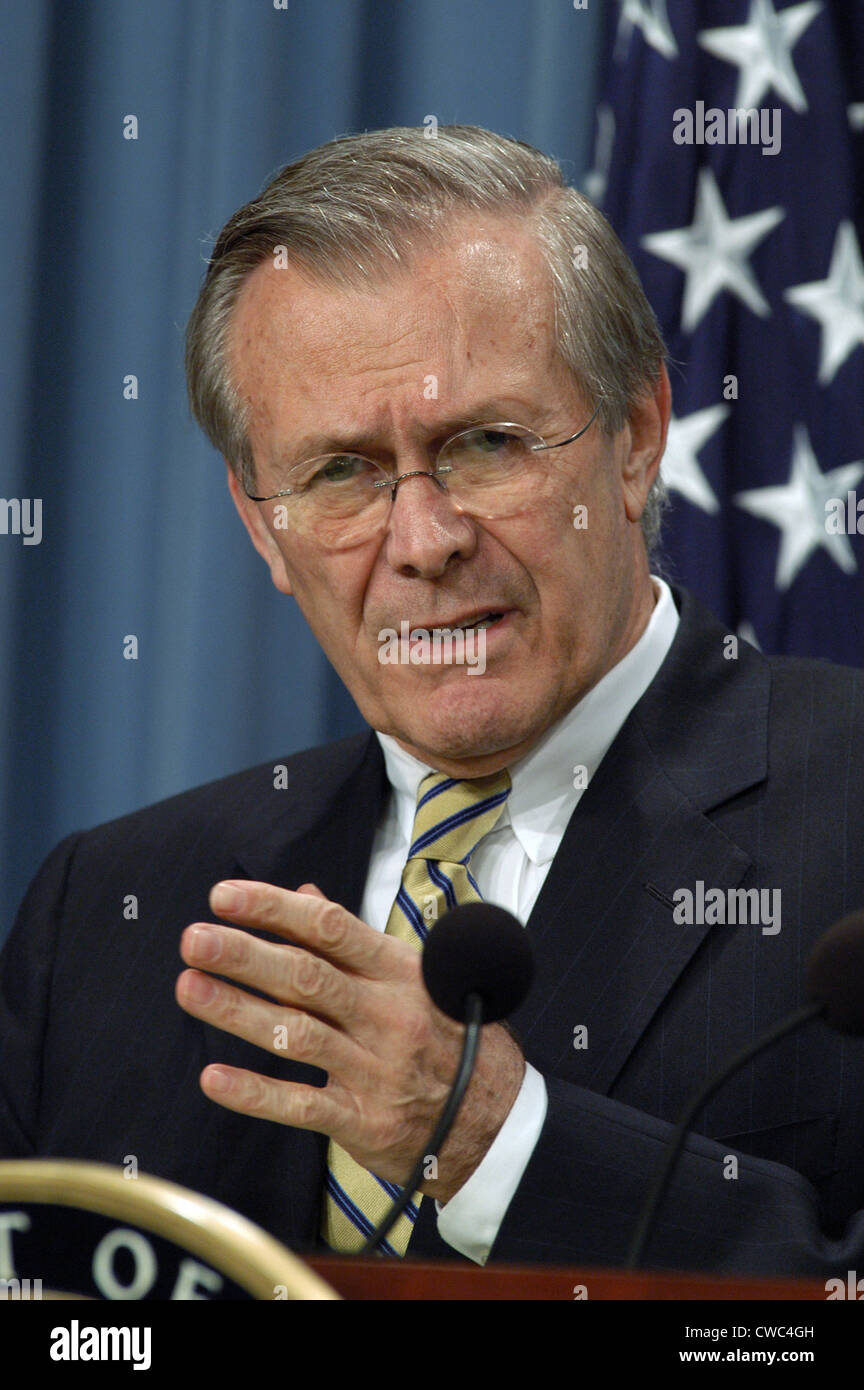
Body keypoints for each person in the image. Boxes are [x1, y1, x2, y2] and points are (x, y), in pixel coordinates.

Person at [3, 126, 864, 1275]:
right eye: (341, 472)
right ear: (264, 522)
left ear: (637, 437)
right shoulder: (105, 910)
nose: (425, 542)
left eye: (486, 444)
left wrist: (505, 1152)